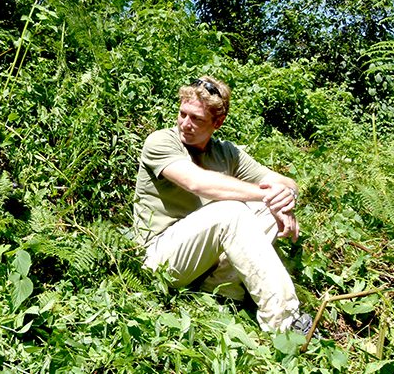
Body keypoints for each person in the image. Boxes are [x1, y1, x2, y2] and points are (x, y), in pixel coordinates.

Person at [133, 75, 312, 333]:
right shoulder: (161, 141)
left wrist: (285, 199)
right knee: (234, 209)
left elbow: (285, 182)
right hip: (160, 258)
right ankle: (284, 323)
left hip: (202, 258)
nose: (185, 123)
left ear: (218, 122)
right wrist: (267, 195)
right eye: (183, 114)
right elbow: (198, 183)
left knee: (267, 211)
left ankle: (220, 293)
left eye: (196, 119)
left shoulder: (227, 152)